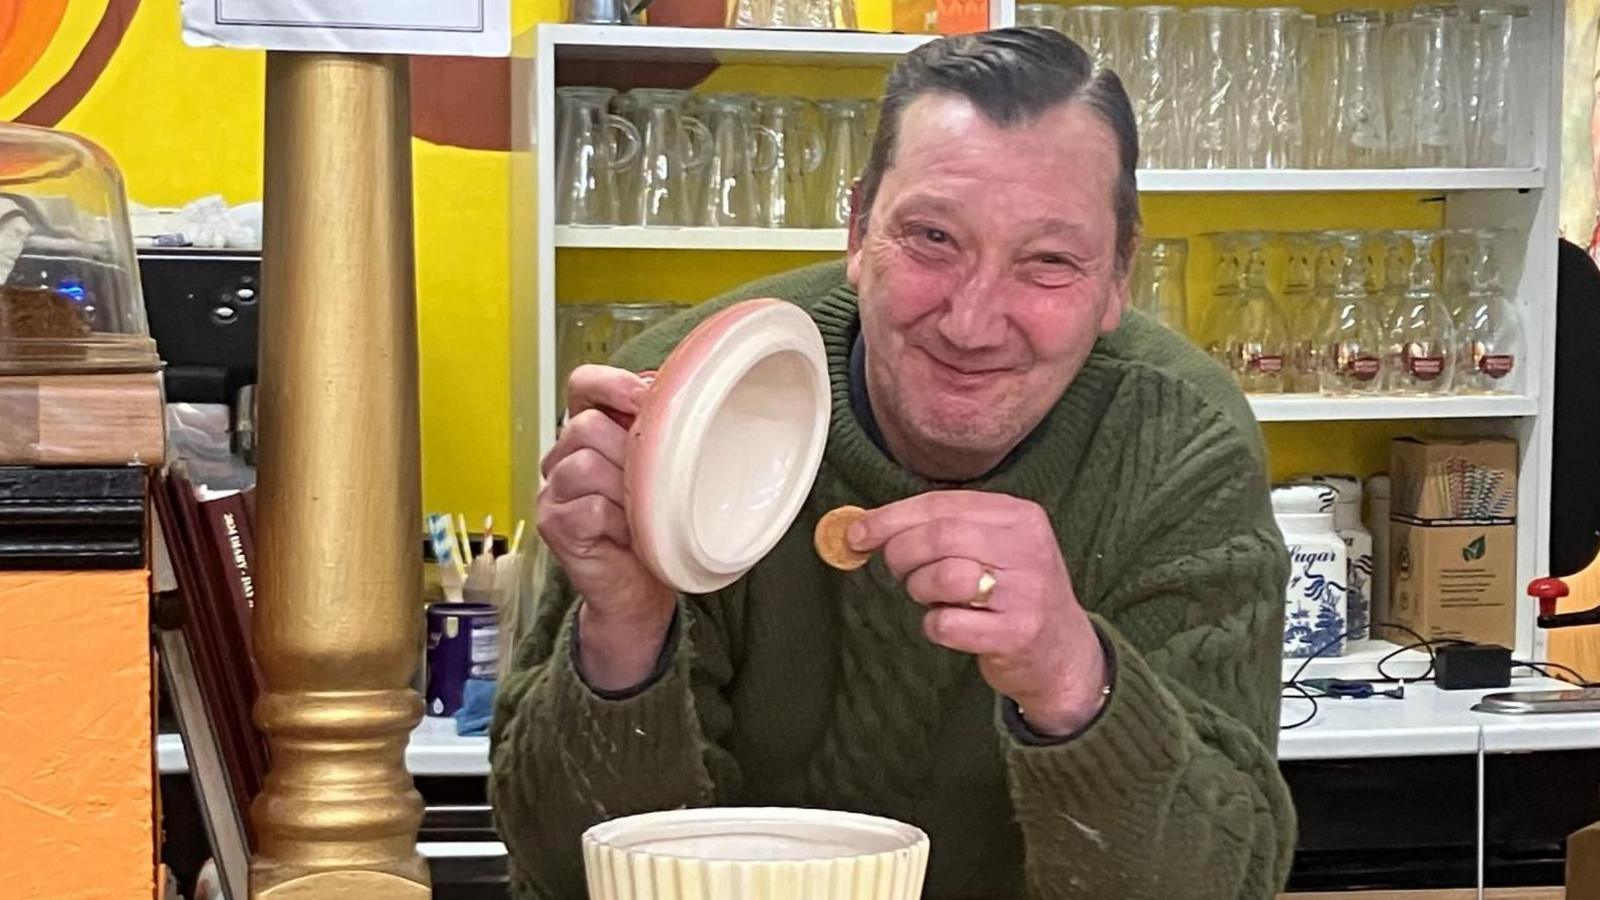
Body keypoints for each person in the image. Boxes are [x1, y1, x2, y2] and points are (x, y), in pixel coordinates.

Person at [491, 28, 1296, 899]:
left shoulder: (1177, 441)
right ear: (858, 228)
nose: (972, 322)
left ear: (1117, 280)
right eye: (933, 238)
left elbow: (1227, 878)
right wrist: (624, 629)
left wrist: (1072, 677)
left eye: (1050, 262)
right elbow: (561, 872)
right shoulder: (690, 404)